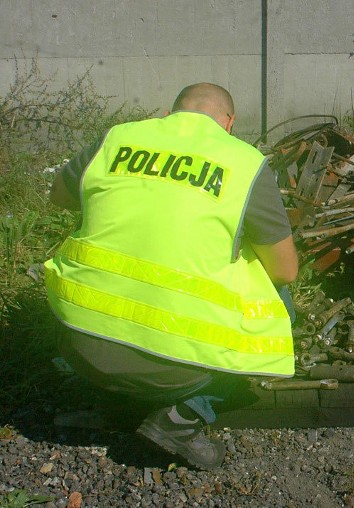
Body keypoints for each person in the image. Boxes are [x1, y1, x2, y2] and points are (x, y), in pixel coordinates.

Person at [45, 83, 298, 470]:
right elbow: (286, 270)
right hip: (172, 370)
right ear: (228, 123)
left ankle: (115, 398)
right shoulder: (244, 162)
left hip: (78, 347)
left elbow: (59, 196)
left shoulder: (119, 137)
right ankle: (183, 417)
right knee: (282, 305)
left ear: (169, 113)